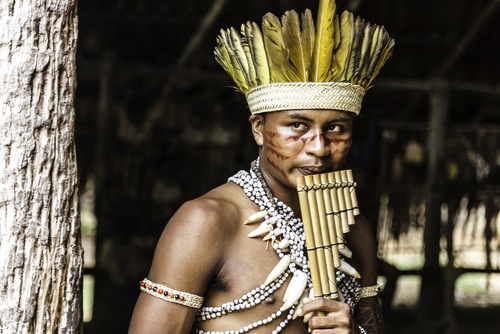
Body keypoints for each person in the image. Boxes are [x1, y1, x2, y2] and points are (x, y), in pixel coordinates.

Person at [128, 0, 394, 333]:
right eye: (297, 126)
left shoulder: (356, 232)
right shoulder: (206, 222)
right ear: (258, 128)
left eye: (335, 128)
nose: (319, 147)